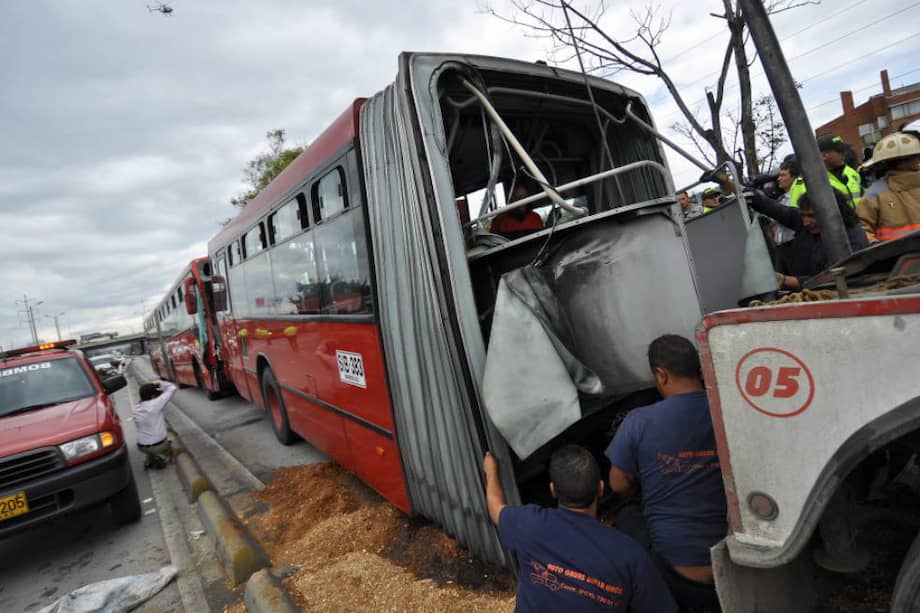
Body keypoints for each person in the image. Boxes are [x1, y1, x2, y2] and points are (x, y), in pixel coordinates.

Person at [606, 335, 726, 613]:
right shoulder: (726, 408)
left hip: (676, 576)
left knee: (627, 517)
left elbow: (618, 484)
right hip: (735, 567)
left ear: (661, 374)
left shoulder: (639, 421)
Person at [483, 445, 678, 613]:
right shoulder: (631, 555)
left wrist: (491, 471)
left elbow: (495, 508)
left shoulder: (528, 523)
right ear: (601, 489)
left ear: (553, 490)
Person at [745, 188, 869, 289]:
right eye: (803, 215)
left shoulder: (853, 239)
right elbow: (772, 208)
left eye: (811, 216)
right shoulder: (806, 224)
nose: (805, 223)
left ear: (832, 212)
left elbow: (827, 279)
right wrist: (732, 185)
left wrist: (784, 280)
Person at [856, 130, 920, 242]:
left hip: (895, 258)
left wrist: (875, 248)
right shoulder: (875, 194)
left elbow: (861, 230)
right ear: (903, 162)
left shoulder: (874, 193)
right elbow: (862, 228)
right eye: (915, 156)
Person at [133, 380, 177, 469]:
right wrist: (160, 383)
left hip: (141, 447)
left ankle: (150, 459)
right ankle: (170, 455)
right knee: (168, 439)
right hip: (158, 446)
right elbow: (172, 388)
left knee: (150, 437)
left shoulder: (136, 408)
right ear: (153, 396)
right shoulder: (155, 404)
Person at [817, 134, 864, 208]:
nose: (844, 153)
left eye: (844, 150)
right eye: (839, 151)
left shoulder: (852, 173)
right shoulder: (816, 181)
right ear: (824, 156)